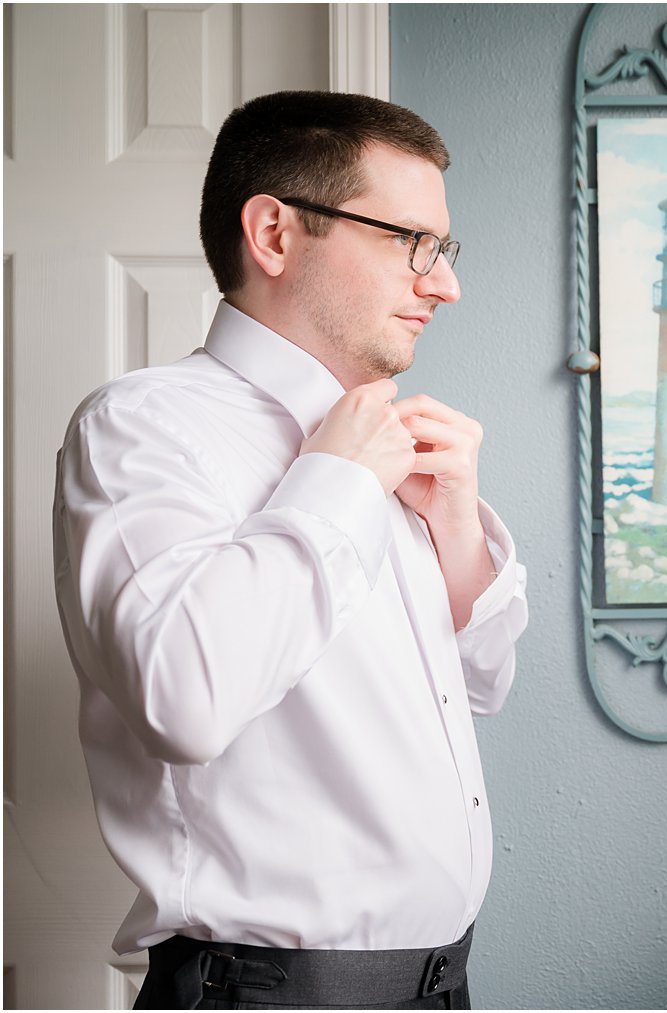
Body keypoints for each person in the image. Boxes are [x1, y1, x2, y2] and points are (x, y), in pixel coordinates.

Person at [52, 90, 527, 1010]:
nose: (445, 285)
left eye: (444, 250)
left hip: (443, 986)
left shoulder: (381, 445)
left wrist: (456, 529)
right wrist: (336, 486)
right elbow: (182, 696)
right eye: (410, 243)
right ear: (273, 233)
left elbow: (485, 679)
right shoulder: (142, 427)